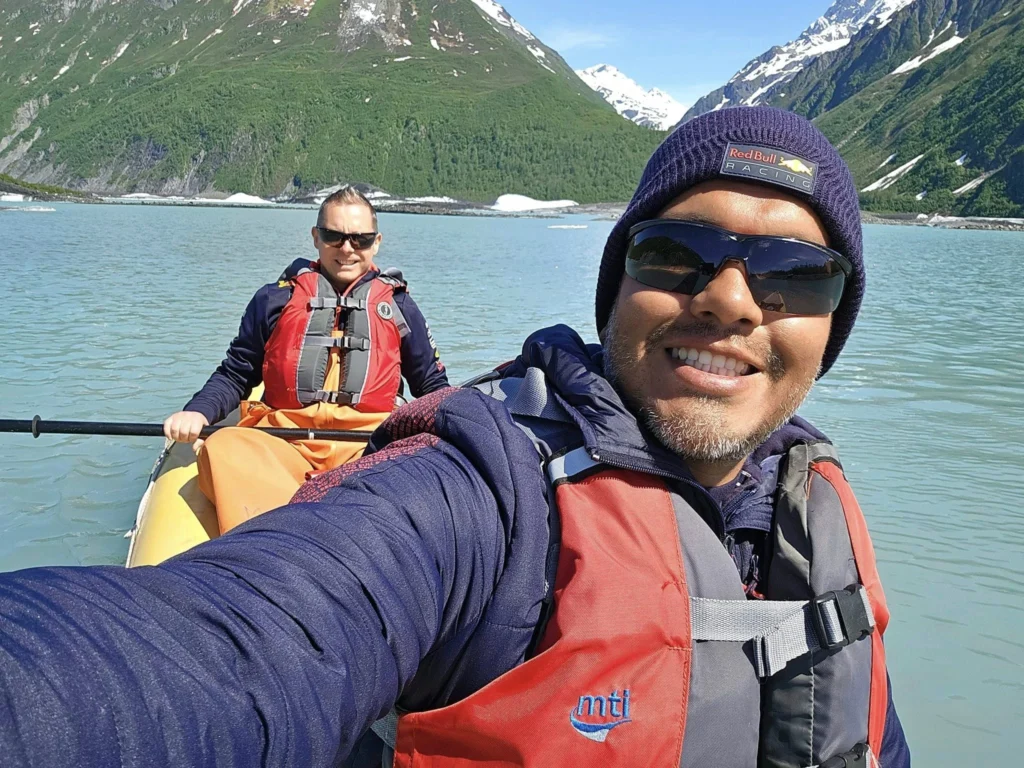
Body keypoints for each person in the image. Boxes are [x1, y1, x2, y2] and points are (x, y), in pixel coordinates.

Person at [0, 108, 910, 767]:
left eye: (798, 274)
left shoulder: (813, 512)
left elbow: (430, 379)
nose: (731, 300)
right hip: (278, 437)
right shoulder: (477, 492)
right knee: (233, 468)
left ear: (835, 319)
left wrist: (434, 412)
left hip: (359, 435)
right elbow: (235, 647)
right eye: (676, 254)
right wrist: (204, 415)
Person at [162, 186, 449, 532]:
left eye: (359, 239)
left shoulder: (399, 306)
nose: (347, 248)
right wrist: (198, 412)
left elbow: (431, 385)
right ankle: (270, 539)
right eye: (333, 236)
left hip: (367, 449)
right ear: (316, 237)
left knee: (426, 461)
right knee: (222, 446)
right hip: (285, 444)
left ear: (376, 243)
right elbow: (236, 373)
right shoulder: (274, 300)